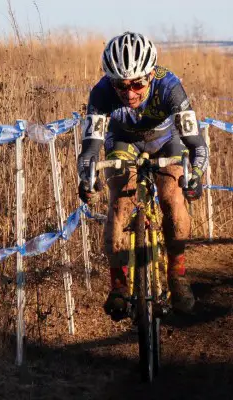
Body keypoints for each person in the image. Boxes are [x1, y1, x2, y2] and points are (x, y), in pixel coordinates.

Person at [76, 32, 208, 318]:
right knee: (120, 201)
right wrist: (86, 178)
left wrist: (195, 175)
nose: (130, 93)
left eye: (137, 84)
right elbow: (90, 149)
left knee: (172, 196)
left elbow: (196, 145)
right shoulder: (101, 92)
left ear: (150, 74)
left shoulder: (170, 86)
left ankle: (177, 274)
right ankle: (119, 286)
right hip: (123, 140)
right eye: (121, 86)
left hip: (165, 141)